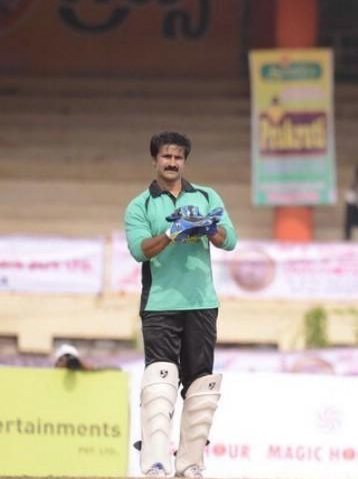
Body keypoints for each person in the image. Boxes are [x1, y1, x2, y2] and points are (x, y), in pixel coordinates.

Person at [124, 131, 237, 478]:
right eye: (165, 157)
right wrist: (172, 234)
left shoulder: (206, 196)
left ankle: (190, 465)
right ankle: (155, 464)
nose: (172, 163)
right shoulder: (140, 205)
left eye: (178, 157)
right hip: (160, 304)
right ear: (155, 160)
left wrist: (208, 227)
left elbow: (229, 241)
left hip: (202, 303)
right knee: (160, 382)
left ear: (184, 160)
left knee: (201, 384)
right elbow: (139, 249)